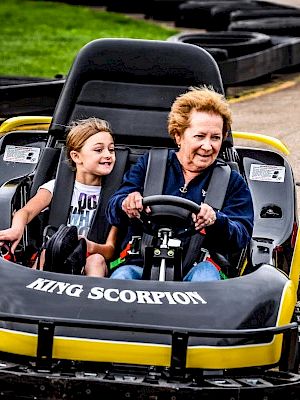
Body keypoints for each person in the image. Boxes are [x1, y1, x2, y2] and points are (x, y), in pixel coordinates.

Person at [106, 86, 254, 281]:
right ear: (178, 135)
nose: (208, 146)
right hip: (142, 262)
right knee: (121, 279)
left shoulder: (231, 180)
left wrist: (216, 220)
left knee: (206, 280)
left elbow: (242, 236)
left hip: (200, 266)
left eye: (215, 138)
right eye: (200, 136)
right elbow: (113, 211)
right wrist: (126, 203)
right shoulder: (150, 165)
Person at [0, 117, 118, 277]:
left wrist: (88, 245)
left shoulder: (116, 196)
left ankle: (88, 302)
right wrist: (16, 229)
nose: (108, 155)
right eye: (99, 150)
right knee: (46, 252)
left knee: (96, 260)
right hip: (55, 254)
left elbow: (110, 250)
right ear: (76, 157)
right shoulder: (56, 187)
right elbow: (26, 212)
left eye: (111, 150)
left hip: (91, 258)